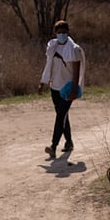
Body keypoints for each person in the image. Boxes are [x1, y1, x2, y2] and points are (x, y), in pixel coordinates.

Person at [37, 20, 84, 160]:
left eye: (64, 32)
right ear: (55, 33)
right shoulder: (52, 47)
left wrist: (74, 89)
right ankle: (69, 142)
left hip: (67, 88)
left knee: (60, 117)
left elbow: (76, 71)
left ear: (68, 32)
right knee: (62, 116)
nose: (61, 35)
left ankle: (53, 146)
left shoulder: (74, 49)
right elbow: (48, 65)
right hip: (55, 87)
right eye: (59, 32)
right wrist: (43, 83)